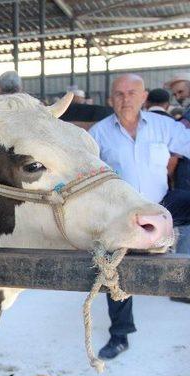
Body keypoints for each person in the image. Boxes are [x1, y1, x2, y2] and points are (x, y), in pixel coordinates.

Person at [88, 74, 190, 360]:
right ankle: (120, 335)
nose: (126, 98)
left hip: (160, 204)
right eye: (119, 94)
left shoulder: (163, 126)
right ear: (110, 100)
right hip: (121, 212)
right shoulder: (98, 134)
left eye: (132, 92)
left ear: (144, 97)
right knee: (113, 266)